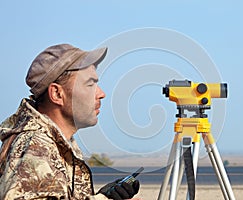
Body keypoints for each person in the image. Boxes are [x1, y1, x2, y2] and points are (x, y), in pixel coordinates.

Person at [0, 44, 140, 200]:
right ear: (57, 94)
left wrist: (100, 196)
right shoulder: (36, 147)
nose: (101, 94)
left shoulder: (56, 144)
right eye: (90, 84)